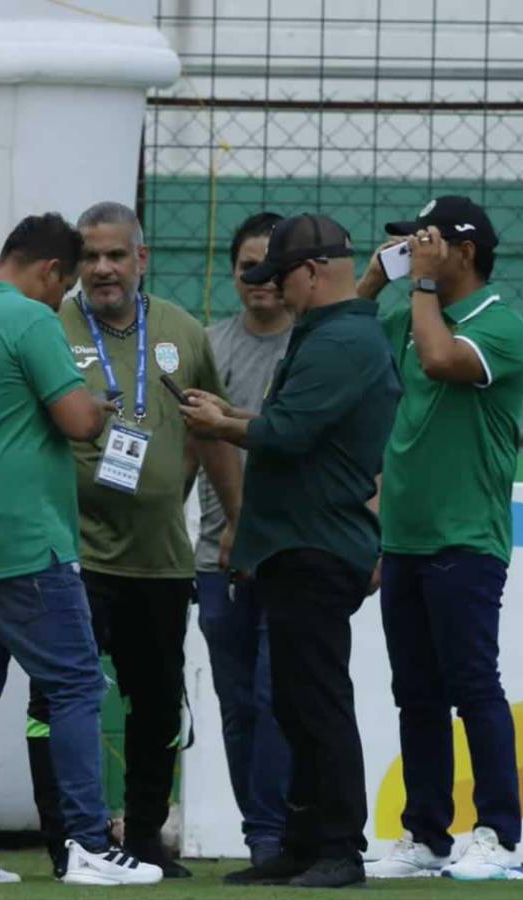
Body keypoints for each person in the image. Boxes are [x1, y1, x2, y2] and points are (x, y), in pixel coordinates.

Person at [0, 213, 162, 887]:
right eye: (65, 286)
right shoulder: (29, 321)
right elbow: (78, 421)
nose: (64, 300)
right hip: (27, 541)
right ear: (50, 271)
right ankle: (87, 842)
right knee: (77, 683)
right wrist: (103, 406)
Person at [180, 213, 402, 889]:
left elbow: (291, 432)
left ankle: (338, 845)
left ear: (311, 272)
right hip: (298, 544)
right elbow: (285, 426)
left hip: (317, 543)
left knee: (317, 699)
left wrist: (225, 423)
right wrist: (232, 418)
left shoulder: (341, 342)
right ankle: (306, 842)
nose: (274, 291)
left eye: (281, 277)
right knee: (300, 703)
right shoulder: (331, 333)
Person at [26, 201, 243, 879]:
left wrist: (237, 520)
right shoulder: (45, 327)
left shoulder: (182, 331)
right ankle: (72, 844)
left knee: (154, 707)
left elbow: (210, 434)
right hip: (70, 557)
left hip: (159, 560)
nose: (103, 268)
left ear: (141, 259)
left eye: (116, 255)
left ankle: (146, 839)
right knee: (56, 703)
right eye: (90, 256)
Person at [357, 196, 523, 882]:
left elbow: (437, 361)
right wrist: (373, 281)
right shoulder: (408, 309)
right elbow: (342, 343)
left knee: (473, 687)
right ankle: (425, 837)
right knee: (417, 693)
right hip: (405, 537)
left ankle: (497, 834)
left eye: (427, 243)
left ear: (464, 252)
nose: (414, 252)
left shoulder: (502, 325)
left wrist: (420, 287)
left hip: (466, 537)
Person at [192, 212, 293, 868]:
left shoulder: (310, 347)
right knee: (236, 704)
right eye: (245, 266)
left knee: (276, 694)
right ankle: (261, 837)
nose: (257, 279)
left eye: (269, 266)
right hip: (214, 554)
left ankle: (284, 833)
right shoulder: (207, 344)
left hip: (288, 550)